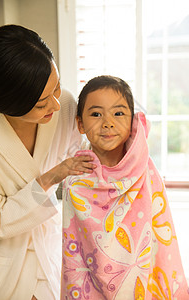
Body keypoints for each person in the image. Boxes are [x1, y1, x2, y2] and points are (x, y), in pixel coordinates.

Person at [0, 24, 96, 300]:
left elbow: (85, 156)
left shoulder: (66, 105)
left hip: (53, 245)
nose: (56, 106)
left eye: (57, 87)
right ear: (6, 105)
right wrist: (51, 176)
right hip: (4, 261)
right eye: (41, 104)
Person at [61, 75, 189, 299]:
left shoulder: (146, 172)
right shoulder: (76, 179)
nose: (108, 122)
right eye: (96, 114)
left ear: (133, 122)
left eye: (118, 113)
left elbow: (159, 233)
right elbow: (75, 252)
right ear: (80, 123)